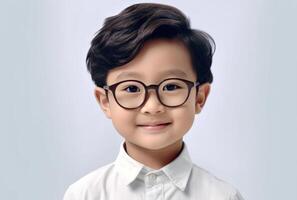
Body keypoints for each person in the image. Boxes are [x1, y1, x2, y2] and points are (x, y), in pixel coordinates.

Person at [63, 3, 244, 200]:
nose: (153, 107)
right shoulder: (84, 195)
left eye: (171, 86)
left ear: (199, 97)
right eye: (131, 88)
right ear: (105, 101)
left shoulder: (223, 196)